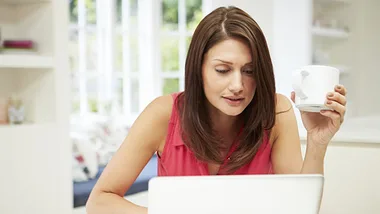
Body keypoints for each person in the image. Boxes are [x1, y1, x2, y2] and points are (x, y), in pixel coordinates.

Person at [86, 6, 347, 214]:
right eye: (223, 70)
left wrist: (317, 141)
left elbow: (298, 207)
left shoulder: (277, 112)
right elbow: (99, 201)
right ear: (198, 69)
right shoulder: (163, 114)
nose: (238, 85)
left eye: (249, 71)